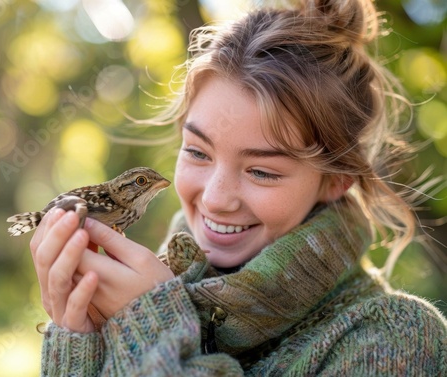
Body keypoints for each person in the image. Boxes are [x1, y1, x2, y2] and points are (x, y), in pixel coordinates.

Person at [30, 0, 447, 375]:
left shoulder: (394, 338)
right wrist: (80, 338)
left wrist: (152, 332)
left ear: (337, 180)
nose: (214, 198)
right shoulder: (140, 292)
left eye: (261, 172)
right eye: (197, 152)